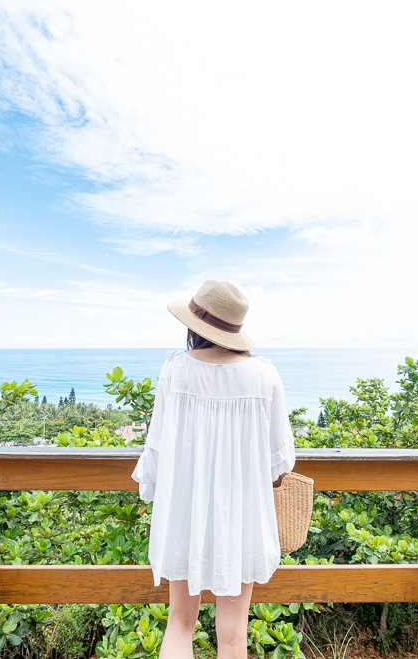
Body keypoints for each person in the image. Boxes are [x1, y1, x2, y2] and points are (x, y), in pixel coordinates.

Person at [131, 280, 297, 659]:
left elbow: (155, 447)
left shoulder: (175, 371)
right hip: (242, 518)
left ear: (195, 327)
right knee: (235, 635)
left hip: (184, 514)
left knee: (180, 623)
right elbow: (280, 460)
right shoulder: (264, 375)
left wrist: (152, 492)